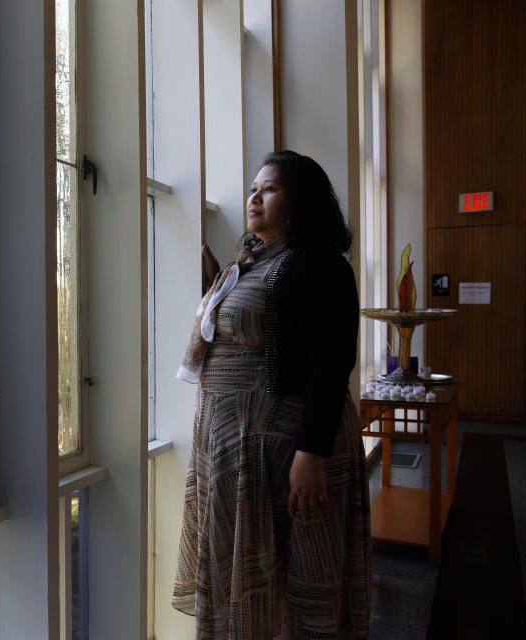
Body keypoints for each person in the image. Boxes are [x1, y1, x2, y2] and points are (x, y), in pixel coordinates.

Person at [172, 150, 371, 640]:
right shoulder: (249, 263)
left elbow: (331, 365)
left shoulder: (320, 265)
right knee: (246, 589)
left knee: (299, 580)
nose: (254, 196)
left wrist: (312, 452)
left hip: (286, 455)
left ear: (299, 202)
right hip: (235, 454)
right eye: (253, 188)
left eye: (270, 188)